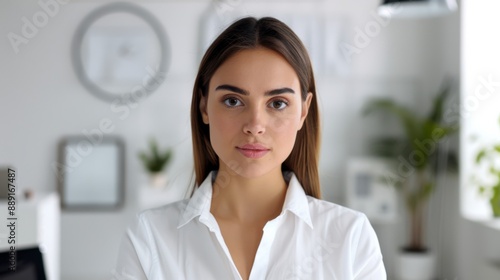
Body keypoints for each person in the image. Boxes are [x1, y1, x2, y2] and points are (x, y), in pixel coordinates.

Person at [112, 16, 387, 280]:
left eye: (277, 103)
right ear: (203, 106)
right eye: (233, 101)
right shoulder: (149, 237)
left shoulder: (350, 237)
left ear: (304, 111)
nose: (255, 125)